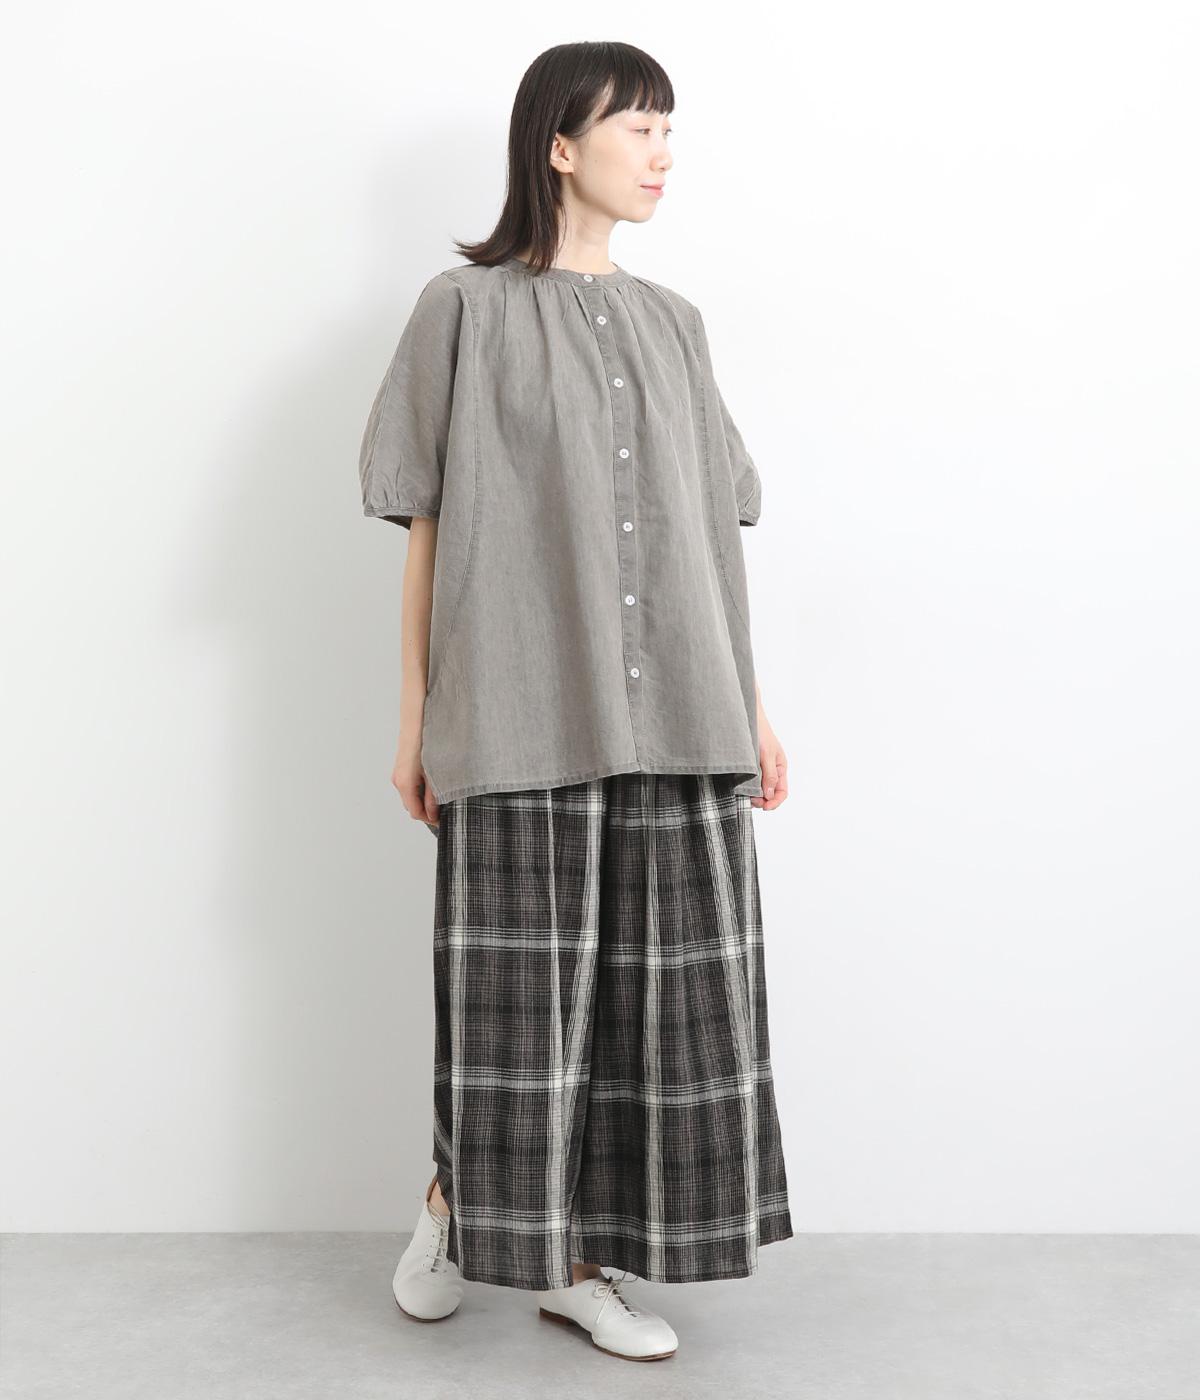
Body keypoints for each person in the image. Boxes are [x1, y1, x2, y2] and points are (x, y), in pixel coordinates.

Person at [359, 41, 793, 1363]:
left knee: (651, 1023)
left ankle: (583, 1269)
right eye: (637, 128)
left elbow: (710, 536)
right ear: (561, 144)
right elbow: (428, 527)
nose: (662, 153)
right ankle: (459, 1204)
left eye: (669, 129)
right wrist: (413, 720)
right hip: (517, 711)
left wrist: (753, 709)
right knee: (518, 1012)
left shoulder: (677, 326)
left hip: (682, 717)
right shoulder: (462, 310)